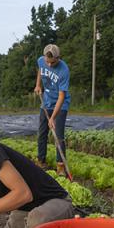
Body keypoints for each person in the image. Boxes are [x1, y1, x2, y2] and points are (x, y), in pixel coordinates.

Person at [34, 44, 71, 177]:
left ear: (58, 58)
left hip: (60, 105)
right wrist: (38, 85)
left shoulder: (64, 70)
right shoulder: (41, 61)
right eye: (47, 62)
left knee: (58, 136)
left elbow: (62, 96)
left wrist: (53, 117)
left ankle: (60, 166)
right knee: (42, 133)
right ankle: (41, 160)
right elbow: (40, 70)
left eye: (52, 62)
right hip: (46, 102)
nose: (49, 65)